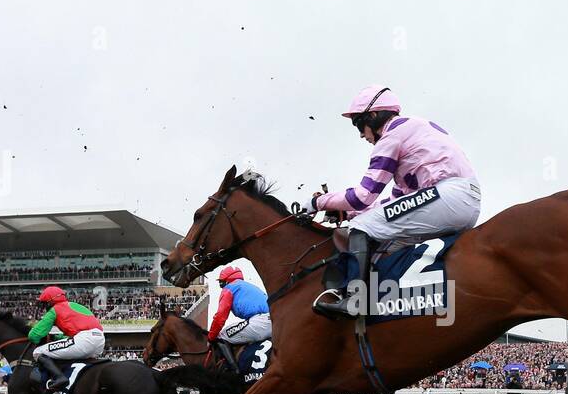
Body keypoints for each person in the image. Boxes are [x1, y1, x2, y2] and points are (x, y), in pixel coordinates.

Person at [301, 85, 481, 319]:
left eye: (359, 124)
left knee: (360, 228)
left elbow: (363, 196)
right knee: (381, 240)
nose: (361, 134)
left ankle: (356, 300)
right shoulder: (412, 131)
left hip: (448, 197)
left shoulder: (391, 137)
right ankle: (389, 305)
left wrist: (317, 203)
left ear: (374, 116)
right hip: (459, 200)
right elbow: (394, 201)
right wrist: (347, 214)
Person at [28, 286, 105, 392]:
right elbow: (75, 333)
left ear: (50, 302)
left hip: (84, 340)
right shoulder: (74, 305)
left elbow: (34, 336)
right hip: (99, 340)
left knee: (38, 352)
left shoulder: (54, 309)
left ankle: (60, 378)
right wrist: (58, 337)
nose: (44, 306)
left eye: (45, 303)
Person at [206, 266, 271, 372]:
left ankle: (234, 371)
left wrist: (211, 336)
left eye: (221, 282)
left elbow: (220, 317)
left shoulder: (229, 288)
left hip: (260, 322)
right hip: (273, 321)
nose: (221, 286)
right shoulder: (249, 287)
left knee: (221, 335)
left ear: (226, 280)